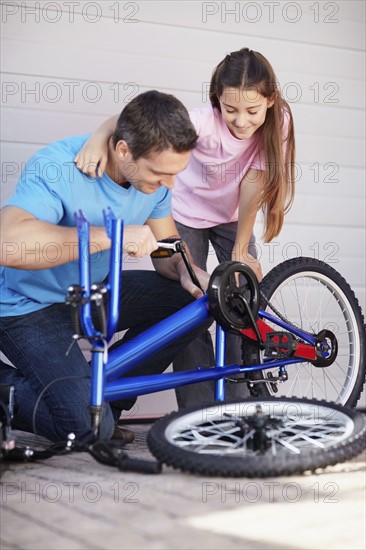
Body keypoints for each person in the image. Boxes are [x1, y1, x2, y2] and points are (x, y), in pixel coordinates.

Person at [74, 47, 296, 408]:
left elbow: (255, 179)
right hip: (182, 215)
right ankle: (199, 410)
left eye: (252, 110)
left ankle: (242, 404)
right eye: (231, 109)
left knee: (240, 299)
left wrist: (241, 246)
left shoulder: (279, 121)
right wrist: (100, 136)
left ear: (270, 100)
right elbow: (138, 124)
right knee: (189, 297)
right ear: (216, 100)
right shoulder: (203, 121)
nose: (241, 121)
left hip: (232, 215)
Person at [0, 90, 211, 444]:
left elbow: (166, 251)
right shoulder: (59, 167)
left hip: (88, 296)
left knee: (193, 304)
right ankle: (88, 415)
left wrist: (191, 272)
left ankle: (105, 406)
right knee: (83, 427)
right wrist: (111, 236)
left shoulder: (156, 180)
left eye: (175, 174)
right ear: (123, 150)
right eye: (160, 174)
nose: (170, 185)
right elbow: (8, 243)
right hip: (26, 306)